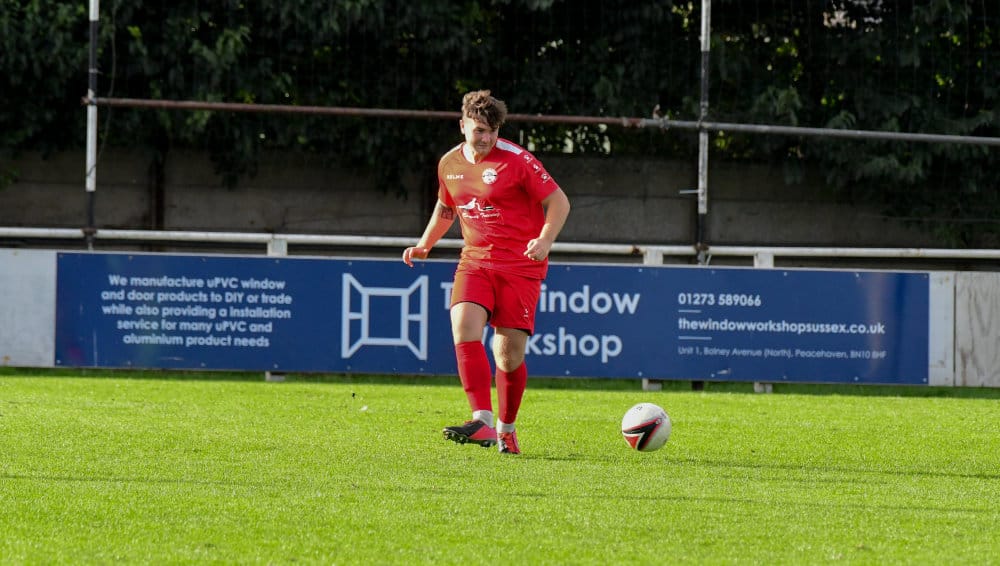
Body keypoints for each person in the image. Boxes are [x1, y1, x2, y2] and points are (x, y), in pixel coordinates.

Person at [402, 90, 571, 455]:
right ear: (462, 125)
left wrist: (544, 240)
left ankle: (506, 430)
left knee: (508, 356)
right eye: (479, 130)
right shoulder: (449, 163)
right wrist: (425, 244)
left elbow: (559, 201)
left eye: (492, 131)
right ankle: (482, 420)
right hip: (475, 261)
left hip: (520, 265)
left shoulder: (518, 160)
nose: (486, 138)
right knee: (463, 326)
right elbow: (446, 207)